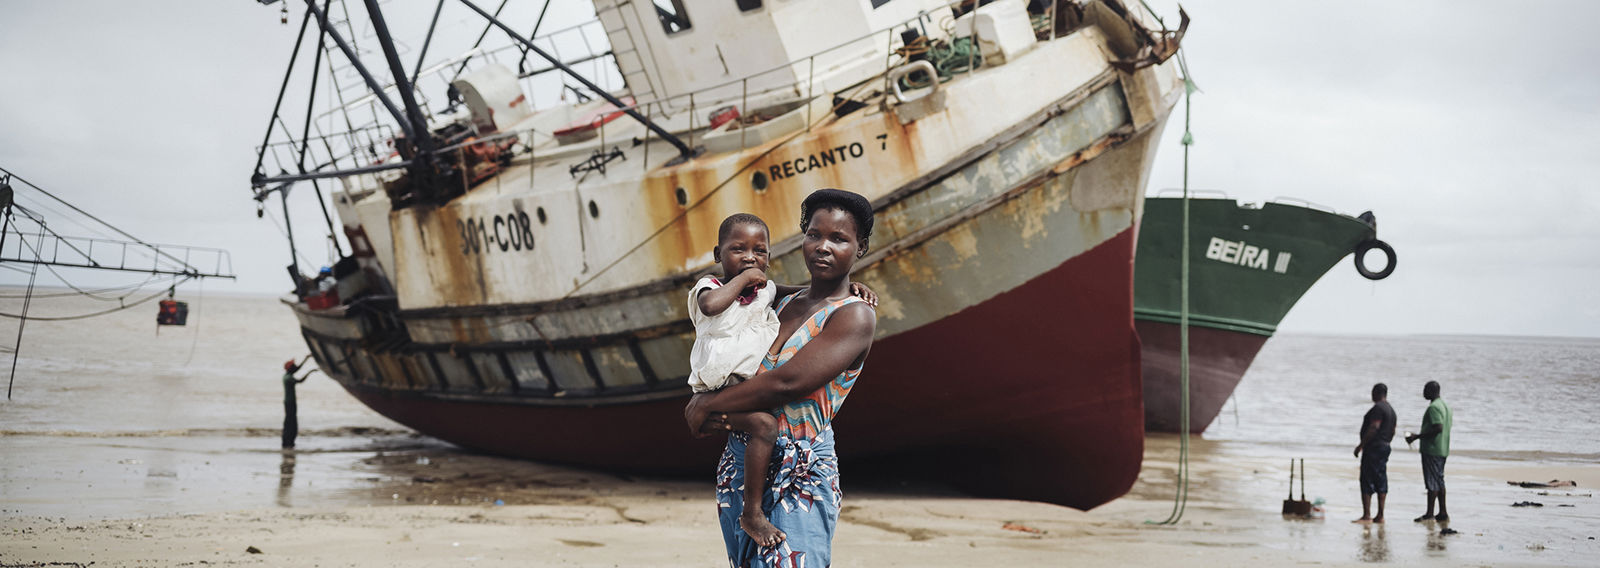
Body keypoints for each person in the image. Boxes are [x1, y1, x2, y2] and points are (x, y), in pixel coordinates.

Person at [685, 189, 878, 568]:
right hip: (743, 460)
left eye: (839, 239)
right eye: (814, 235)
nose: (823, 246)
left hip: (799, 471)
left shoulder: (854, 316)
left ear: (860, 248)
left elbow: (787, 383)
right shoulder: (781, 302)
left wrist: (705, 404)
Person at [1406, 380, 1452, 523]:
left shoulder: (1433, 407)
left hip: (1432, 449)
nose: (1423, 392)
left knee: (1432, 482)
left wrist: (1416, 437)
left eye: (1425, 389)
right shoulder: (1446, 406)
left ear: (1432, 391)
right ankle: (1443, 512)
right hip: (1443, 448)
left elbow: (1438, 427)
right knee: (1439, 480)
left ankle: (1429, 513)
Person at [1353, 383, 1397, 523]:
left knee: (1366, 478)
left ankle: (1367, 515)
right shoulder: (1391, 410)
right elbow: (1392, 431)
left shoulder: (1378, 409)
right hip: (1384, 446)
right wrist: (1386, 442)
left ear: (1376, 393)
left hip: (1374, 448)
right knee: (1381, 478)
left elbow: (1374, 427)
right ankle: (1380, 515)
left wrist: (1361, 445)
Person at [281, 356, 319, 449]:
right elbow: (300, 380)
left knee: (290, 422)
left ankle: (289, 442)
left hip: (289, 402)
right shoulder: (288, 378)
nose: (295, 367)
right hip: (290, 402)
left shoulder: (286, 376)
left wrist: (307, 358)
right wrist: (310, 372)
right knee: (291, 422)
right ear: (291, 368)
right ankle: (288, 441)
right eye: (294, 366)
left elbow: (297, 368)